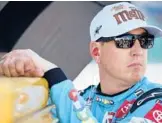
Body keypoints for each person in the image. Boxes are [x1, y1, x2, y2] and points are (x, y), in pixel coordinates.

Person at [1, 2, 162, 123]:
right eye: (125, 41)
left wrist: (53, 72)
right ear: (96, 51)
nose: (138, 50)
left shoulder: (156, 101)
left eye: (145, 40)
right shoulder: (84, 98)